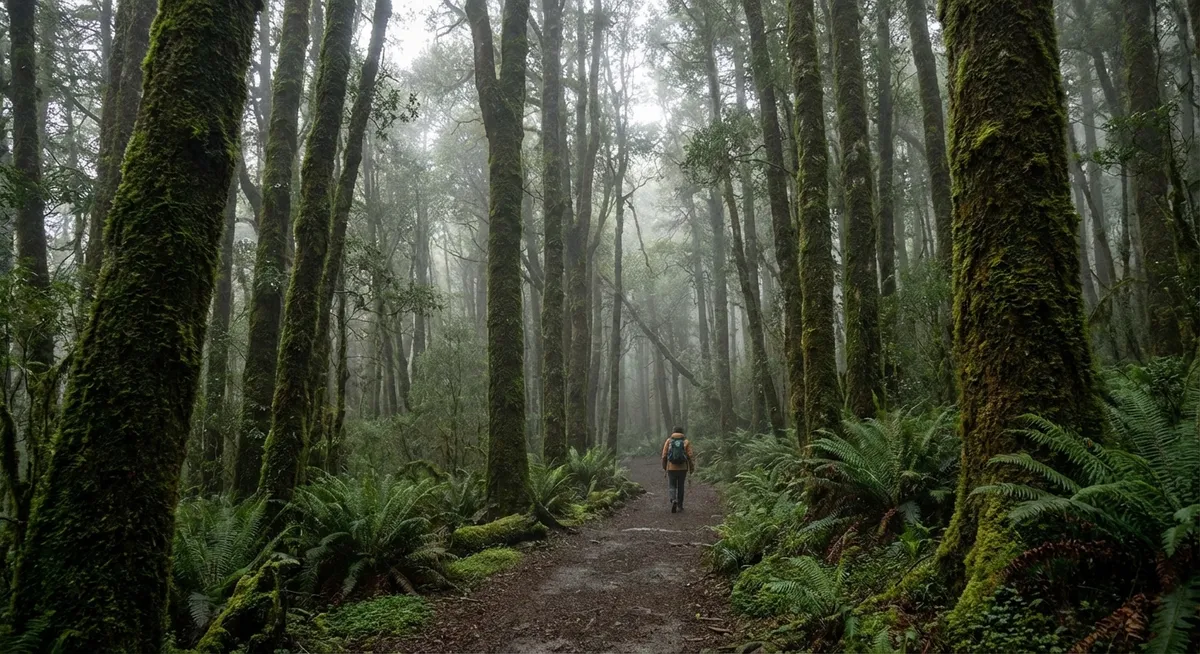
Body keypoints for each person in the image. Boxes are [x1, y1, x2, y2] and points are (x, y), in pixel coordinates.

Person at [660, 427, 694, 513]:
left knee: (672, 485)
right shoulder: (686, 442)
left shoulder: (669, 441)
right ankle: (680, 505)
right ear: (682, 432)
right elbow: (690, 456)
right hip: (683, 468)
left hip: (671, 468)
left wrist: (665, 467)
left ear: (673, 432)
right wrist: (691, 468)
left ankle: (673, 500)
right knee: (681, 486)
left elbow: (664, 455)